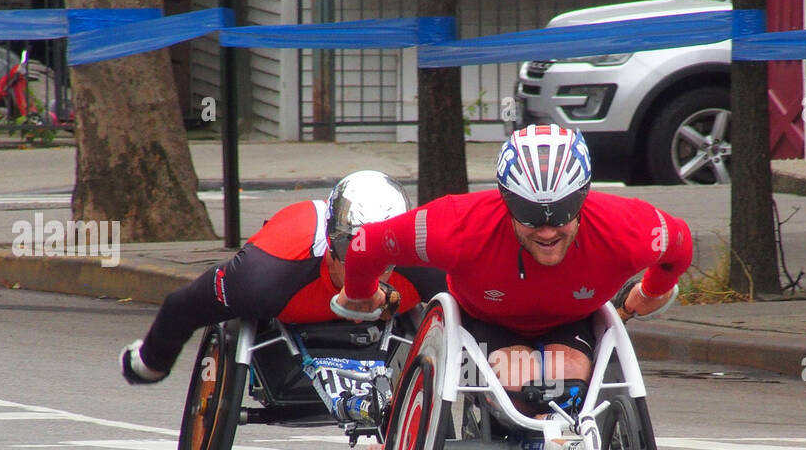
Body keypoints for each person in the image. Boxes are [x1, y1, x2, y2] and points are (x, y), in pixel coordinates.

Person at [331, 125, 691, 409]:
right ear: (506, 201)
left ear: (582, 199)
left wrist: (650, 292)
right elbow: (368, 245)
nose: (548, 231)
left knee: (566, 375)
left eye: (562, 215)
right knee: (518, 375)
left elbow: (681, 244)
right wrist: (361, 294)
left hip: (572, 320)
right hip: (487, 320)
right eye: (532, 217)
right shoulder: (459, 224)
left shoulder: (625, 228)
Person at [119, 170, 443, 384]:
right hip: (287, 260)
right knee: (220, 301)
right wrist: (150, 363)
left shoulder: (425, 268)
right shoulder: (264, 278)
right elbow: (182, 306)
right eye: (353, 250)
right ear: (331, 241)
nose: (370, 267)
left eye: (387, 254)